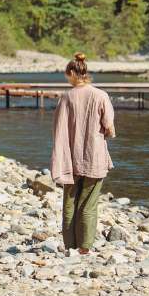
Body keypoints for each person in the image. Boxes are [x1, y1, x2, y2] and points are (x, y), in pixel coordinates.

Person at [50, 52, 115, 254]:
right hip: (94, 157)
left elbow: (58, 128)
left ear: (71, 72)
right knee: (88, 204)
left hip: (70, 157)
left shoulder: (66, 98)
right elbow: (110, 128)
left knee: (69, 203)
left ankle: (70, 245)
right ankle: (85, 248)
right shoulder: (101, 95)